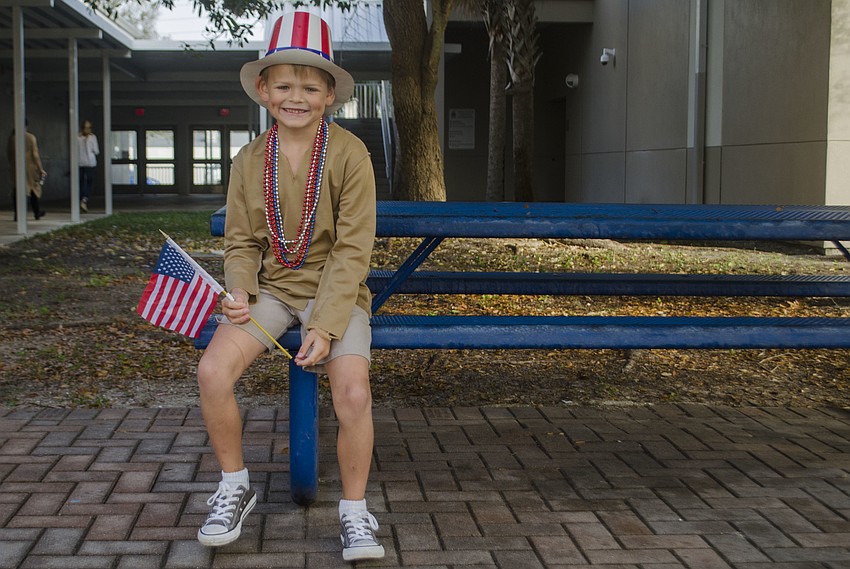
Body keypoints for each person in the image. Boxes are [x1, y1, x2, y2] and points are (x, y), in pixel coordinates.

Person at [195, 11, 383, 562]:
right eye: (282, 85)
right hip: (272, 291)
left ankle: (354, 511)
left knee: (352, 393)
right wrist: (238, 291)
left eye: (309, 86)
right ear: (263, 90)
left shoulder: (351, 154)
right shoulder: (249, 161)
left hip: (338, 294)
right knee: (212, 371)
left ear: (329, 95)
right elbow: (242, 241)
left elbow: (352, 249)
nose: (294, 96)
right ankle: (233, 485)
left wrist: (324, 325)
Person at [6, 120, 47, 221]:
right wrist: (41, 169)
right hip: (30, 168)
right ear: (26, 126)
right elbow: (35, 154)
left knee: (17, 190)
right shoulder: (30, 137)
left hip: (16, 167)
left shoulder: (12, 138)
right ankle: (36, 212)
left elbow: (9, 154)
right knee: (33, 189)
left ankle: (17, 214)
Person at [78, 119, 99, 212]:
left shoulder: (90, 137)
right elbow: (96, 151)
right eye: (87, 128)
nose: (88, 130)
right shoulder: (81, 138)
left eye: (89, 128)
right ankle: (83, 200)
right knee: (85, 182)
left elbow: (96, 151)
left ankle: (83, 200)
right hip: (85, 163)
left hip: (86, 163)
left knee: (86, 182)